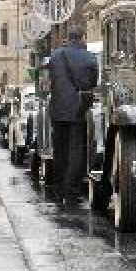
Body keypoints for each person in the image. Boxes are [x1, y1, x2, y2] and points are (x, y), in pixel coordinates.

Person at [47, 25, 98, 204]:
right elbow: (92, 83)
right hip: (78, 110)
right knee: (76, 150)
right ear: (83, 37)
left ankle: (59, 189)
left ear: (68, 38)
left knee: (60, 151)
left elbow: (50, 78)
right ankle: (71, 192)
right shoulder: (90, 58)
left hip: (57, 110)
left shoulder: (55, 56)